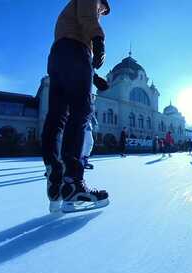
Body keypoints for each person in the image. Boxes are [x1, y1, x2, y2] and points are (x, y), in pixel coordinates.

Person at [42, 0, 111, 213]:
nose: (101, 12)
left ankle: (55, 178)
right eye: (102, 9)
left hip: (58, 57)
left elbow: (70, 40)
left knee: (56, 116)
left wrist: (94, 75)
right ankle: (73, 183)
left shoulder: (68, 16)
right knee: (81, 111)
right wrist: (99, 39)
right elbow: (87, 20)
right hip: (76, 52)